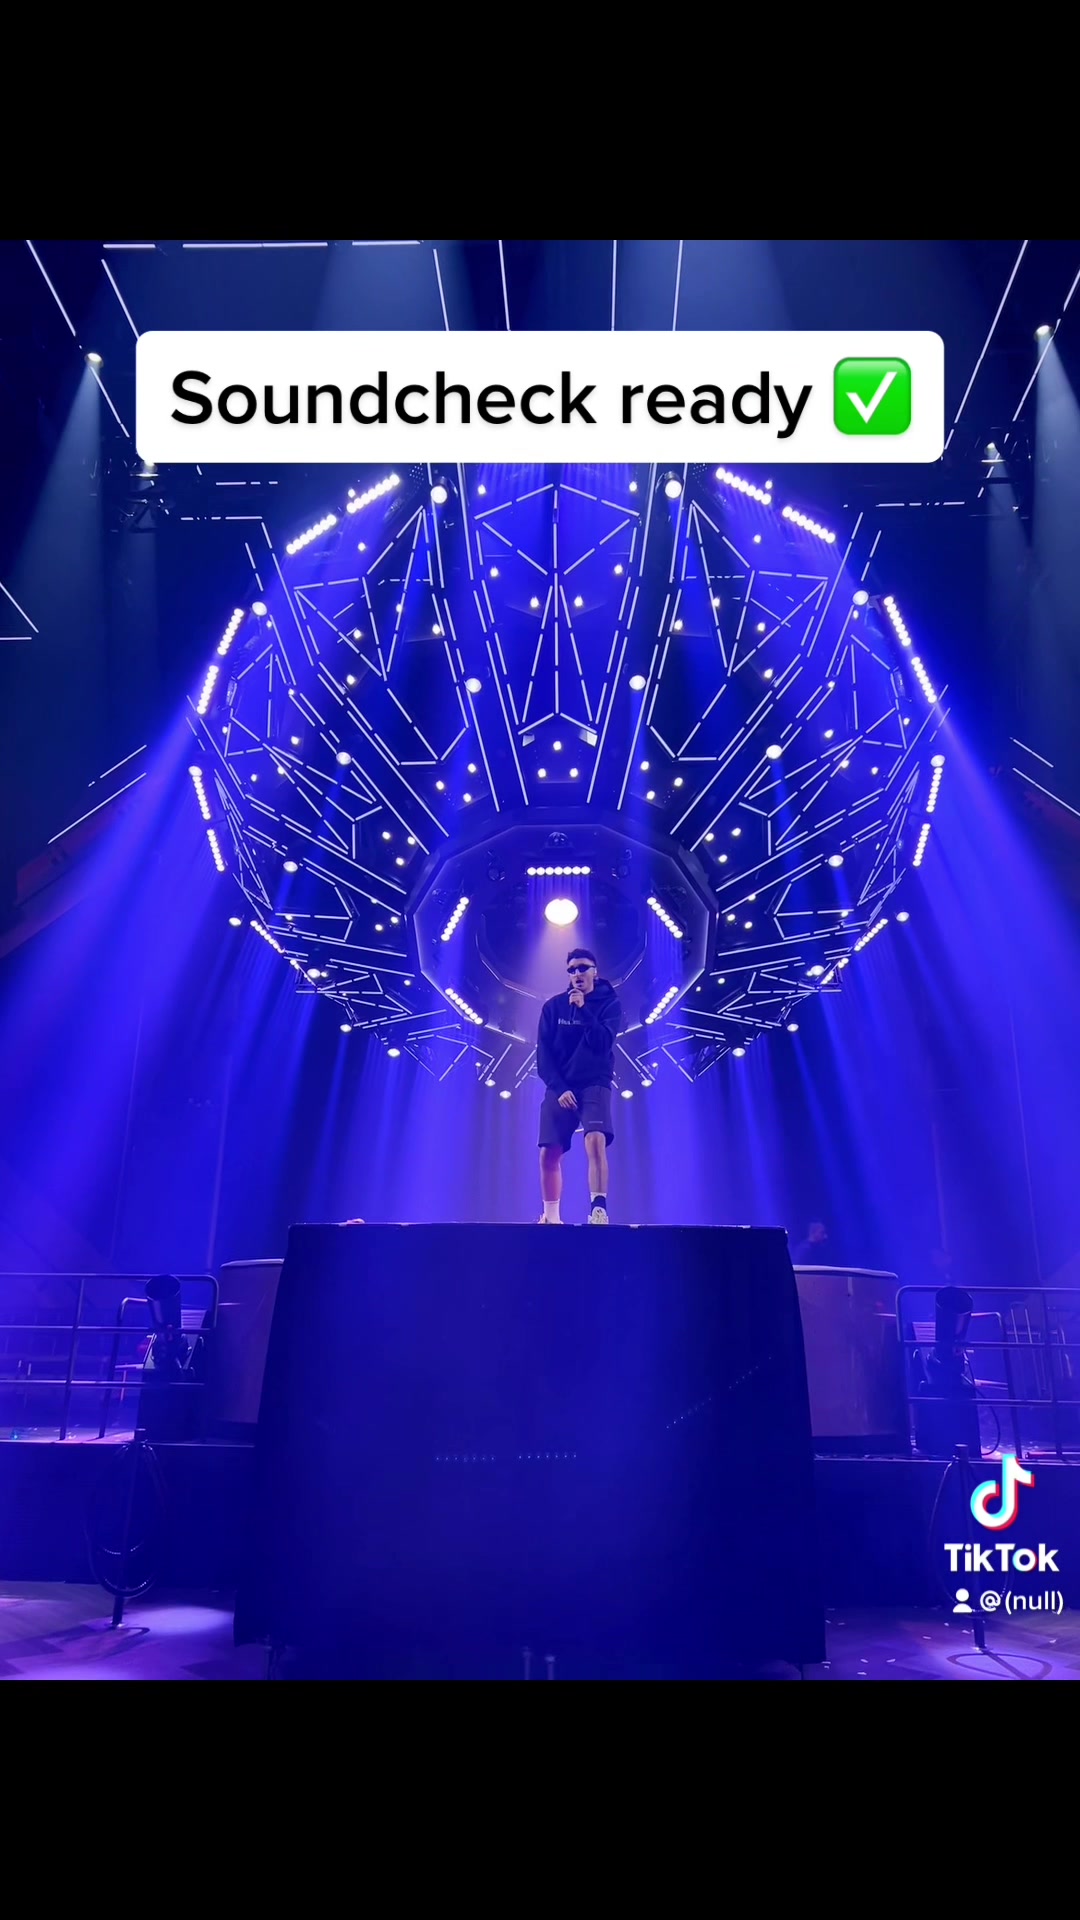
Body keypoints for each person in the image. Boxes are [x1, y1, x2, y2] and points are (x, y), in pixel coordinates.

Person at [536, 947, 621, 1225]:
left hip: (594, 1081)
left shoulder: (610, 1004)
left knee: (595, 1139)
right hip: (561, 1085)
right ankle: (551, 1217)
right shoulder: (553, 1007)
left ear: (595, 972)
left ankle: (598, 1210)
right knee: (549, 1151)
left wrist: (584, 1010)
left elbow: (602, 1043)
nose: (577, 973)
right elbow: (543, 1055)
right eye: (571, 969)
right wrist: (559, 1088)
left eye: (583, 967)